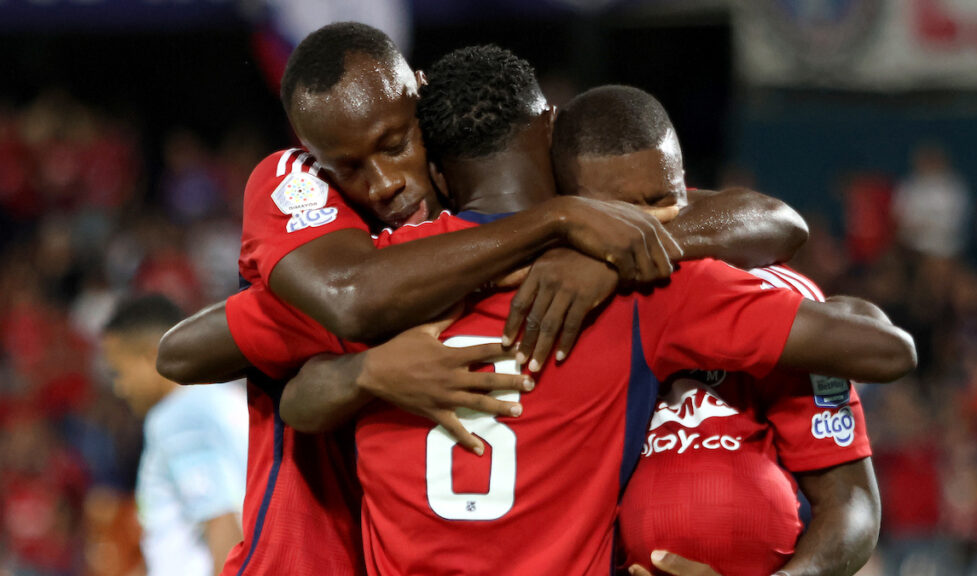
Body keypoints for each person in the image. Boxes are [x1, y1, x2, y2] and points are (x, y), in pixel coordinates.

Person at [218, 47, 914, 575]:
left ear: (437, 169)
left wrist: (366, 372)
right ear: (550, 132)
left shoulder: (387, 281)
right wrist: (601, 246)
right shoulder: (647, 290)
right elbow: (884, 350)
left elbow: (239, 374)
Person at [551, 86, 882, 576]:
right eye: (622, 212)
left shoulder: (764, 296)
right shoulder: (547, 307)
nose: (648, 225)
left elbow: (850, 501)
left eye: (665, 200)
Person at [99, 295, 247, 576]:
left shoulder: (178, 416)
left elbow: (221, 520)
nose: (120, 388)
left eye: (119, 372)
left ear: (150, 355)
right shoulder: (224, 398)